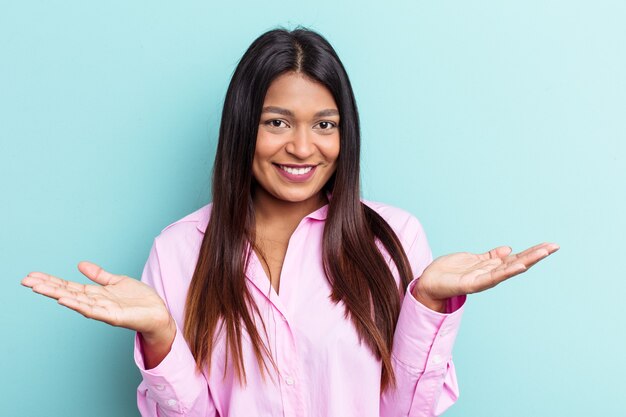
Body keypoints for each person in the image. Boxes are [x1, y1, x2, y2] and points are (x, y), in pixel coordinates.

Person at [20, 26, 559, 417]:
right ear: (241, 128)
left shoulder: (393, 240)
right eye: (277, 122)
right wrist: (161, 338)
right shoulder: (178, 250)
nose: (302, 147)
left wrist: (428, 306)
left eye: (324, 124)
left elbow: (406, 413)